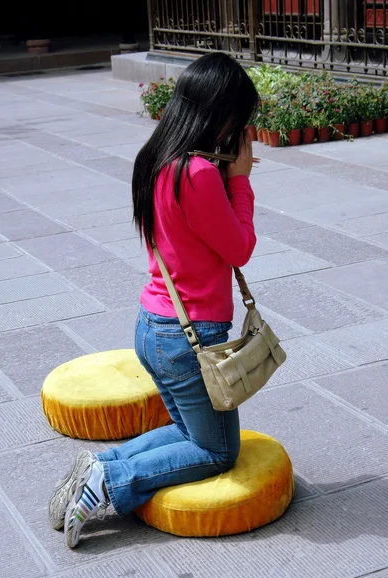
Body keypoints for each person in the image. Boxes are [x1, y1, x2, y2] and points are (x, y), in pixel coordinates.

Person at [48, 52, 259, 549]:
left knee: (188, 430)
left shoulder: (158, 159)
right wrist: (242, 179)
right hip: (191, 337)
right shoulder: (201, 174)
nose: (243, 130)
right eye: (240, 118)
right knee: (216, 451)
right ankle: (109, 485)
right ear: (221, 113)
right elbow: (240, 249)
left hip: (154, 325)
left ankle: (101, 463)